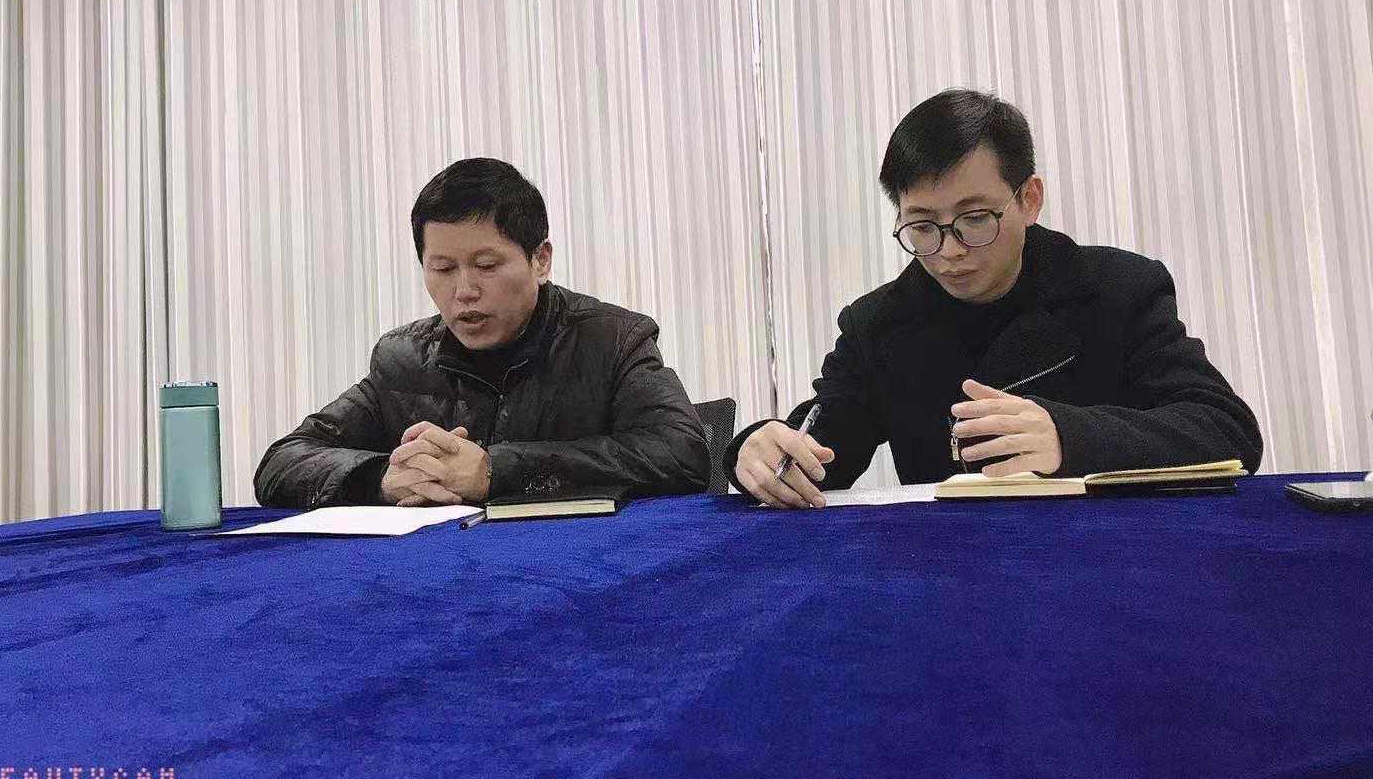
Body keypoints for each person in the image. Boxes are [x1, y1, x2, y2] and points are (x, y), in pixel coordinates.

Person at [728, 89, 1263, 508]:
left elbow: (1226, 431)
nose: (950, 251)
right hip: (951, 572)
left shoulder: (1117, 288)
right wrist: (755, 449)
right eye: (922, 227)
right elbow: (822, 449)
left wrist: (1069, 437)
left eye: (976, 218)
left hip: (1110, 560)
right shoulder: (878, 324)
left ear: (1029, 199)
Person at [255, 158, 710, 508]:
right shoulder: (403, 359)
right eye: (442, 269)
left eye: (487, 266)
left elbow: (683, 453)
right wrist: (382, 478)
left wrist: (495, 471)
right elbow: (282, 462)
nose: (464, 291)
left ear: (540, 260)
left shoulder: (612, 339)